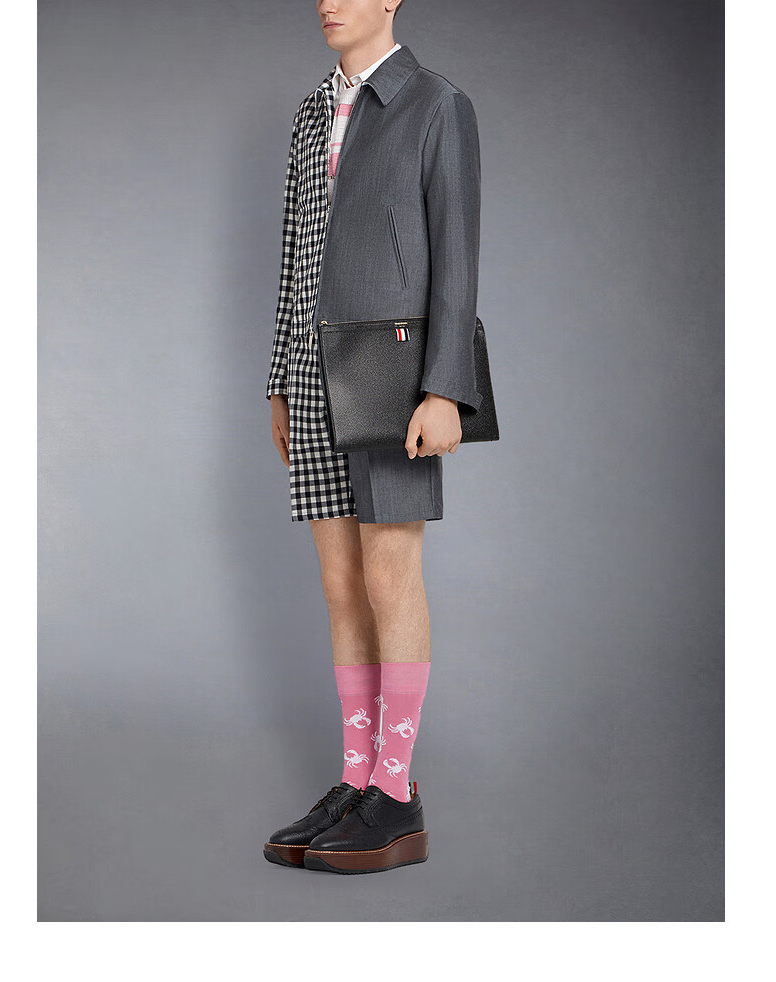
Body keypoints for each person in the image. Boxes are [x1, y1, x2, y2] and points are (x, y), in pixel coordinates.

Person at [263, 0, 482, 874]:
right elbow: (293, 256)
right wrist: (279, 378)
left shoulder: (436, 105)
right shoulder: (310, 112)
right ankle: (358, 780)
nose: (328, 2)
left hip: (393, 377)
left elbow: (457, 256)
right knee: (339, 584)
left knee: (390, 577)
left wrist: (446, 389)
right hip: (312, 373)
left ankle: (397, 792)